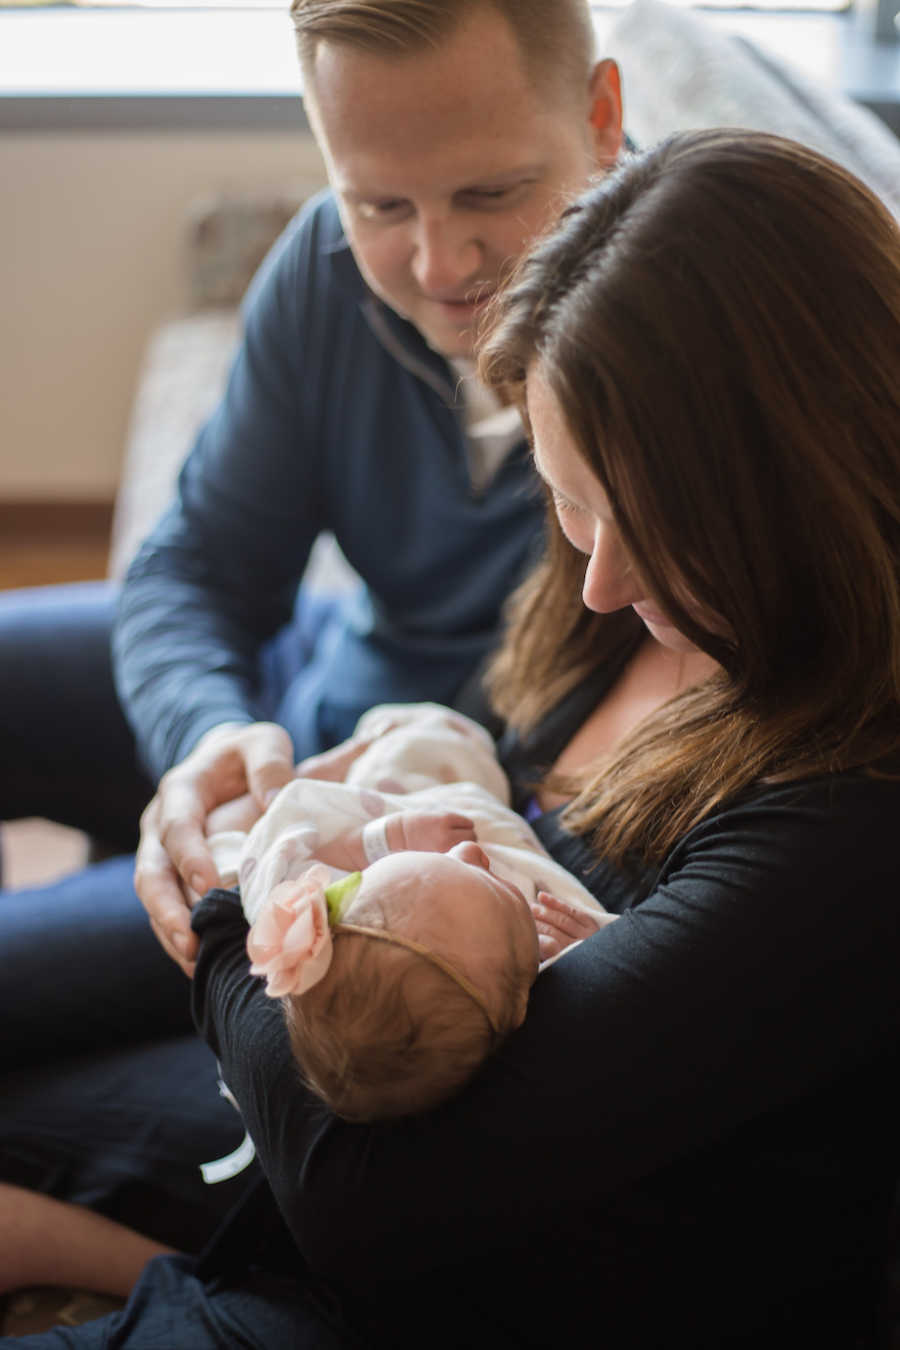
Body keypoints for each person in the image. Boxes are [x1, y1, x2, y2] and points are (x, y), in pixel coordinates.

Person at [4, 125, 900, 1348]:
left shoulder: (845, 814)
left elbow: (370, 1210)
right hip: (347, 1068)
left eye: (656, 527)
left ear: (803, 487)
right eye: (572, 505)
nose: (595, 580)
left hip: (497, 1248)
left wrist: (237, 906)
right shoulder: (641, 592)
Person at [1, 0, 625, 1286]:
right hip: (310, 692)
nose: (437, 260)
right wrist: (207, 735)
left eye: (487, 192)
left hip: (380, 811)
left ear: (603, 117)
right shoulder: (324, 273)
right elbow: (195, 568)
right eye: (378, 203)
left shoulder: (670, 338)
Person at [209, 702, 607, 1121]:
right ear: (518, 1004)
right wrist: (595, 946)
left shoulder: (347, 907)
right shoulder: (540, 963)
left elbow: (291, 854)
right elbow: (613, 986)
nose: (470, 850)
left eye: (449, 862)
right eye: (501, 894)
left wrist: (384, 840)